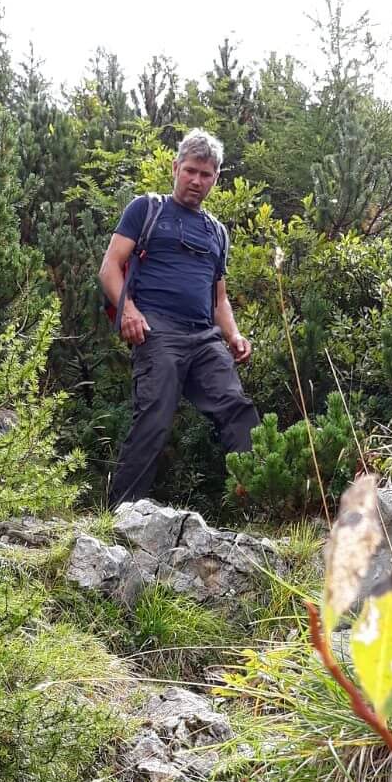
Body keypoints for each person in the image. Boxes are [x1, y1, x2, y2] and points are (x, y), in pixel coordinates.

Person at [99, 128, 259, 507]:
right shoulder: (147, 209)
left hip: (204, 338)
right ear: (175, 168)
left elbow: (218, 297)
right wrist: (131, 313)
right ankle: (119, 515)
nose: (196, 181)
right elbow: (110, 267)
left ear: (216, 178)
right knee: (154, 419)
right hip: (157, 330)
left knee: (238, 409)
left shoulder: (217, 232)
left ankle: (261, 504)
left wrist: (234, 335)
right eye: (190, 171)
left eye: (205, 175)